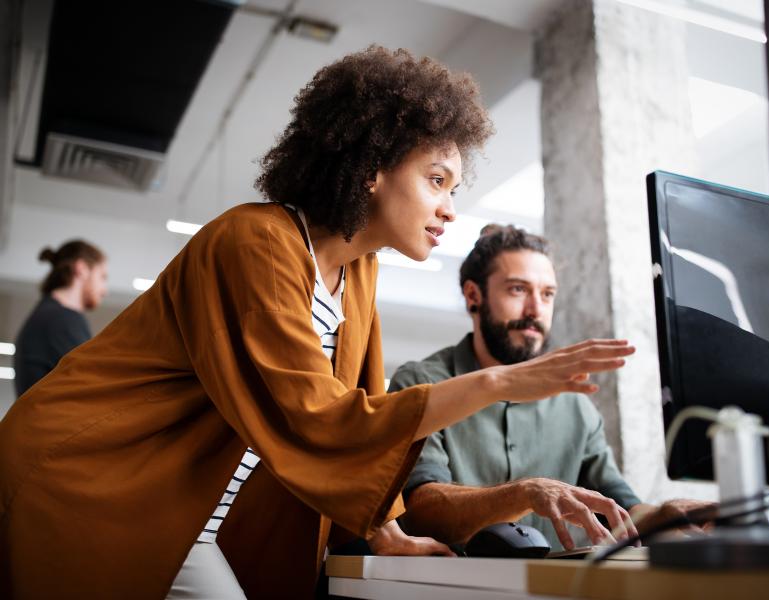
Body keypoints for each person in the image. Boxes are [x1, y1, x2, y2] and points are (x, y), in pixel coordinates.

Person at [0, 47, 635, 599]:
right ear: (373, 166)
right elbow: (317, 417)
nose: (448, 207)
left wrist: (390, 537)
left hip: (180, 508)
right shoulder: (255, 242)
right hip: (94, 477)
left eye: (454, 188)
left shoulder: (357, 272)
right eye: (436, 179)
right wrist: (497, 384)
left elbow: (360, 411)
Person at [392, 225, 705, 552]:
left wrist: (667, 515)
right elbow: (421, 511)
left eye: (547, 294)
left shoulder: (575, 403)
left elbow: (620, 508)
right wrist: (524, 493)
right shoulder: (421, 383)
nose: (535, 310)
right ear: (474, 296)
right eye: (517, 290)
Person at [14, 240, 108, 397]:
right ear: (82, 269)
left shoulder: (50, 315)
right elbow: (93, 386)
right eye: (103, 277)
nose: (105, 290)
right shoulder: (61, 319)